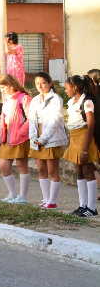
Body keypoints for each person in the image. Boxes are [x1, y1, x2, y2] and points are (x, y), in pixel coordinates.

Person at [28, 72, 67, 209]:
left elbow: (54, 121)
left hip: (51, 136)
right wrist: (33, 137)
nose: (40, 86)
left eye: (43, 83)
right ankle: (45, 198)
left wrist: (43, 138)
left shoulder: (56, 98)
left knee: (52, 171)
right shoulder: (35, 100)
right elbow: (32, 120)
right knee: (41, 169)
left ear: (50, 83)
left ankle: (52, 200)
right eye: (37, 83)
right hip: (37, 136)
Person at [62, 75, 98, 216]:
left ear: (75, 87)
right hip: (75, 137)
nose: (65, 90)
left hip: (84, 137)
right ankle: (82, 205)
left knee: (88, 170)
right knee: (79, 171)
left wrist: (84, 148)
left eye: (67, 88)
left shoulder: (87, 101)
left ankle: (92, 208)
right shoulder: (72, 102)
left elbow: (91, 124)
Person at [0, 74, 32, 203]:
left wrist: (22, 131)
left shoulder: (24, 98)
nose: (2, 91)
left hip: (20, 138)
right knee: (3, 166)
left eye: (3, 87)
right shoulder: (7, 100)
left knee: (22, 165)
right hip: (7, 138)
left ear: (11, 85)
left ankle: (22, 197)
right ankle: (12, 194)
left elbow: (31, 118)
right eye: (0, 88)